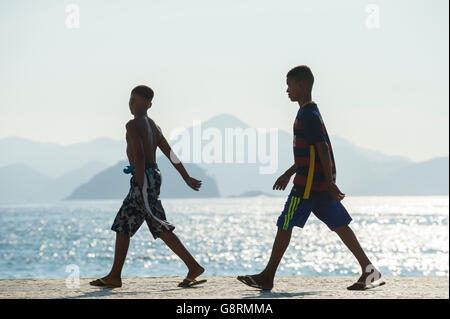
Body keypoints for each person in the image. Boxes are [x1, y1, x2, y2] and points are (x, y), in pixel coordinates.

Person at [237, 66, 385, 291]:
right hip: (317, 185)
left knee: (284, 224)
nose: (287, 91)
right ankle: (369, 270)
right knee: (341, 226)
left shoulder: (308, 114)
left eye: (289, 86)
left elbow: (322, 149)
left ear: (302, 86)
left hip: (307, 187)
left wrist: (330, 182)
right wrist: (289, 173)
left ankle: (267, 277)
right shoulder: (309, 112)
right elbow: (312, 152)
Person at [90, 85, 206, 288]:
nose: (130, 103)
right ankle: (115, 276)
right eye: (130, 99)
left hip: (143, 178)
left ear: (142, 103)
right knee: (124, 225)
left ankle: (193, 266)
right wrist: (185, 177)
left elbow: (140, 155)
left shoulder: (133, 125)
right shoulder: (153, 126)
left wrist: (141, 183)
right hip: (151, 176)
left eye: (132, 100)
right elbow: (170, 153)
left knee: (158, 223)